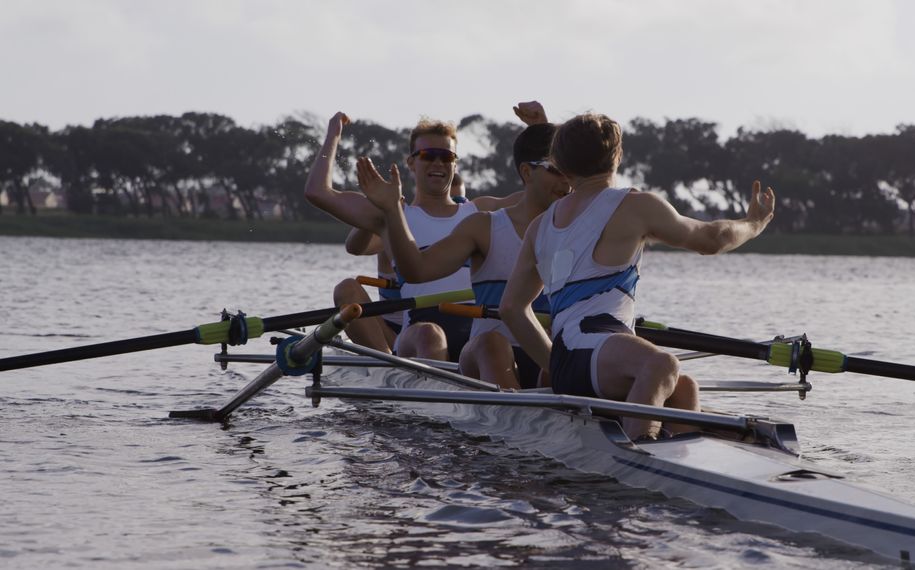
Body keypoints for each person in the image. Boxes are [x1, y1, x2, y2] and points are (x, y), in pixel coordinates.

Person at [499, 112, 776, 441]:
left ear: (562, 163)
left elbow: (512, 309)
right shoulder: (634, 206)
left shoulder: (539, 227)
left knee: (684, 389)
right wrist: (754, 224)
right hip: (592, 351)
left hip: (577, 361)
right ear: (617, 156)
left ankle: (683, 460)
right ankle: (642, 456)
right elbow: (711, 239)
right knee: (662, 366)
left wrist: (556, 362)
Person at [357, 102, 567, 389]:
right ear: (528, 174)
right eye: (557, 170)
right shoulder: (482, 222)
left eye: (570, 172)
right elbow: (414, 270)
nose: (568, 182)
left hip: (543, 349)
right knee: (490, 344)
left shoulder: (578, 225)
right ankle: (503, 412)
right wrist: (391, 211)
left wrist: (542, 130)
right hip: (481, 348)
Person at [304, 112, 519, 361]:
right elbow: (317, 192)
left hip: (476, 333)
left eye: (446, 156)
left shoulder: (482, 211)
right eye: (428, 155)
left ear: (455, 164)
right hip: (419, 335)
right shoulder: (393, 215)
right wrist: (333, 134)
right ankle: (392, 366)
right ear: (411, 163)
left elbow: (544, 195)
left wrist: (541, 127)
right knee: (429, 334)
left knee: (499, 341)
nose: (438, 163)